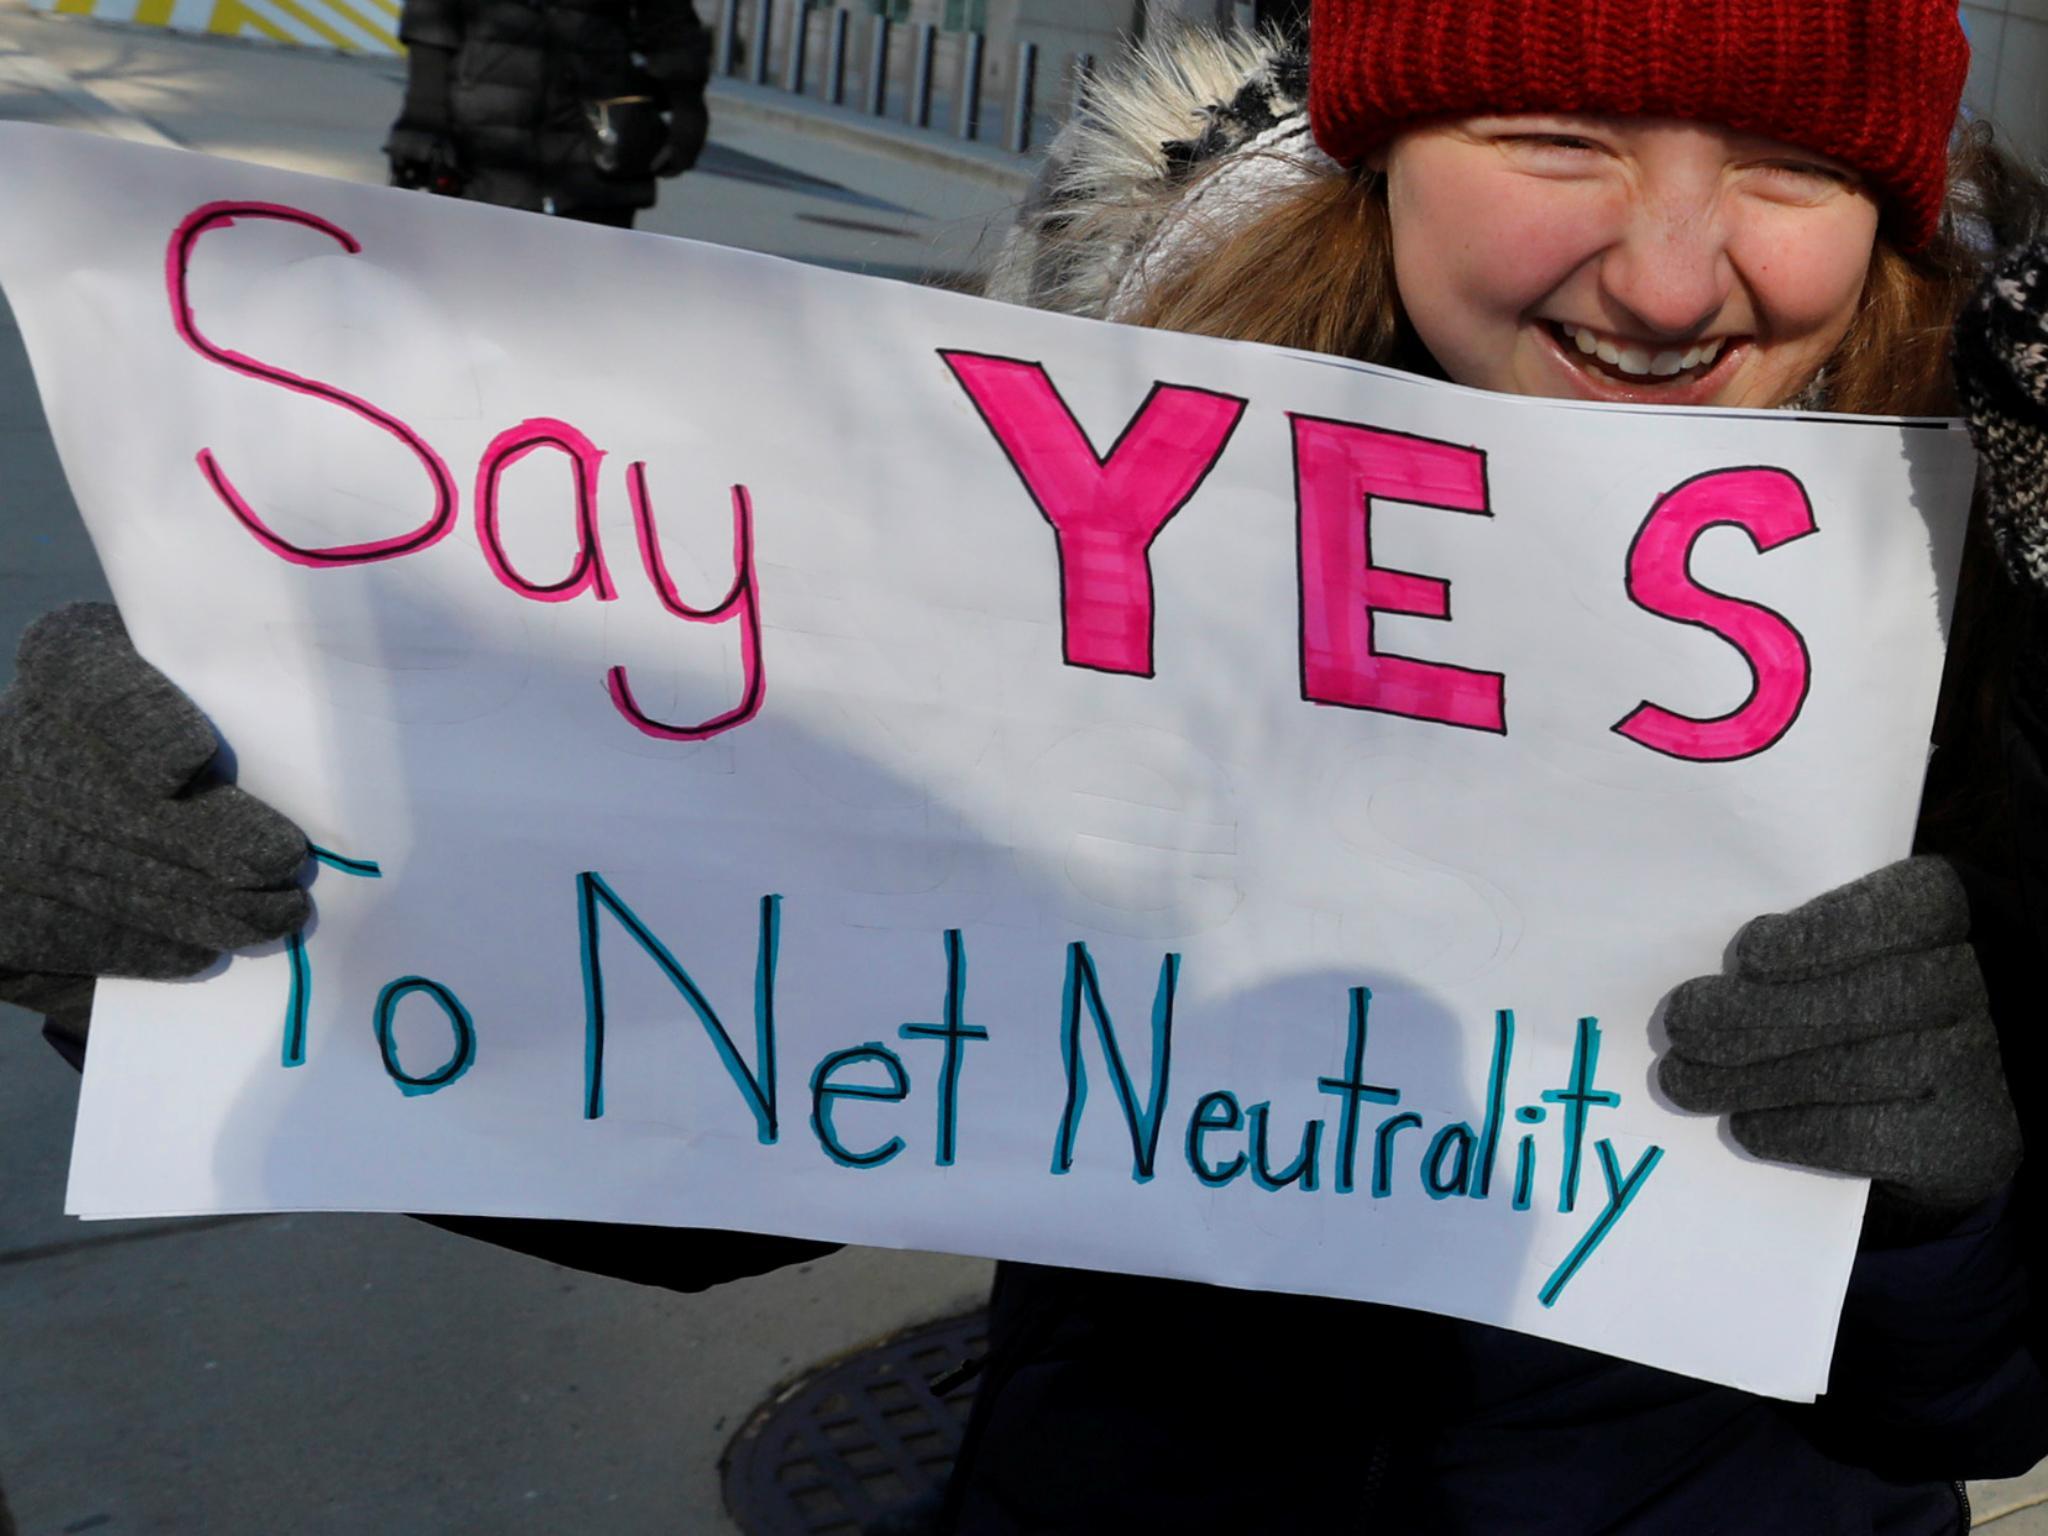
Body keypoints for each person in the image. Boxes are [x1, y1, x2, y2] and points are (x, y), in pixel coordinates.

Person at [3, 2, 2045, 1531]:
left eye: (1785, 171)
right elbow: (720, 1116)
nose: (1677, 280)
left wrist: (1942, 1209)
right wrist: (212, 954)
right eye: (1554, 136)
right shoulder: (1063, 516)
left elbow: (1984, 1405)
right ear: (1382, 147)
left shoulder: (1988, 578)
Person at [382, 0, 712, 227]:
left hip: (596, 138)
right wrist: (422, 112)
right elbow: (432, 15)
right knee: (478, 286)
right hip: (482, 137)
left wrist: (688, 108)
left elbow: (670, 22)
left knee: (588, 295)